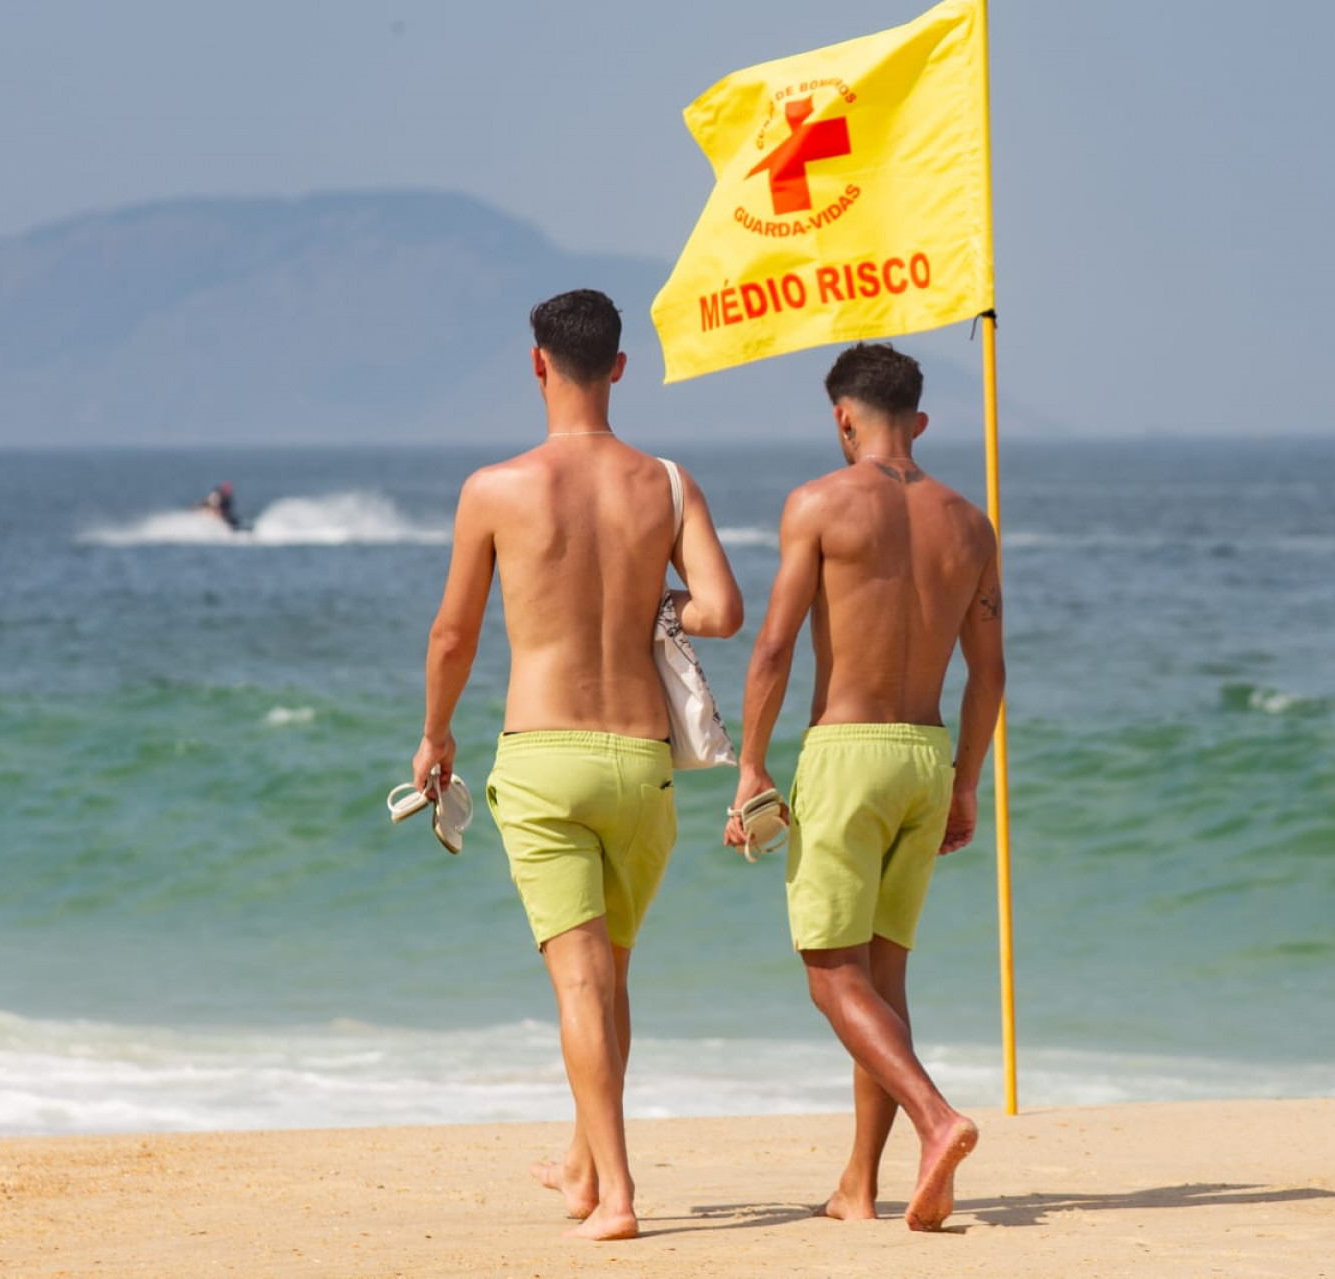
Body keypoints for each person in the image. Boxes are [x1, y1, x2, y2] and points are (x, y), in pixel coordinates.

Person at [413, 289, 743, 1240]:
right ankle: (580, 1165)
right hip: (641, 762)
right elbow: (723, 612)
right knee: (609, 976)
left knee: (582, 985)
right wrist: (656, 604)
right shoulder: (668, 484)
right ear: (621, 368)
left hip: (545, 758)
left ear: (537, 363)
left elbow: (453, 634)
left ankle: (619, 1195)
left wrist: (437, 733)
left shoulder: (495, 489)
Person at [723, 341, 1004, 1231]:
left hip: (847, 752)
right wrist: (966, 782)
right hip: (926, 754)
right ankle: (859, 1185)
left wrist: (751, 765)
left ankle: (936, 1117)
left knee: (829, 973)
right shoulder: (971, 523)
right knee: (882, 978)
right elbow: (990, 673)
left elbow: (774, 645)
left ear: (842, 417)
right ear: (918, 421)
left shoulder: (818, 502)